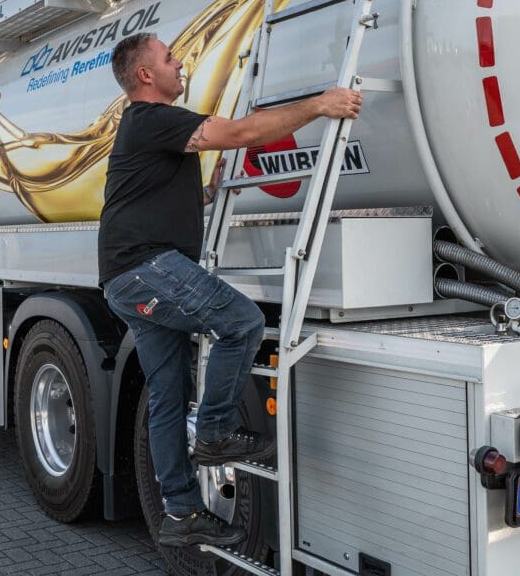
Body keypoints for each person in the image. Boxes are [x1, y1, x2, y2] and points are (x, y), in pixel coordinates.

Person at [99, 32, 362, 548]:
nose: (181, 63)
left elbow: (150, 196)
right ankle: (216, 432)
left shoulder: (147, 129)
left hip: (130, 273)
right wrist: (320, 104)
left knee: (168, 396)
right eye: (170, 57)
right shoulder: (153, 119)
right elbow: (241, 132)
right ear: (145, 76)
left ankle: (180, 513)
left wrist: (207, 191)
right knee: (241, 322)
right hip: (144, 268)